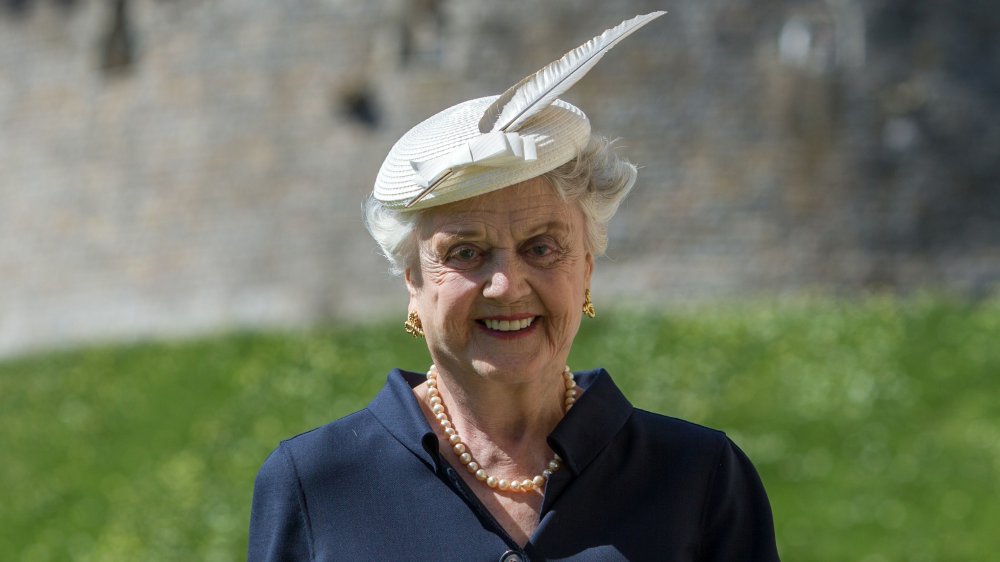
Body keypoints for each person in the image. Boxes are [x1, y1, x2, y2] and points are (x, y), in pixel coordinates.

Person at [248, 12, 779, 561]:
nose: (506, 285)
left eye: (542, 248)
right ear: (412, 280)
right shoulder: (316, 483)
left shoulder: (697, 477)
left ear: (587, 270)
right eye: (466, 253)